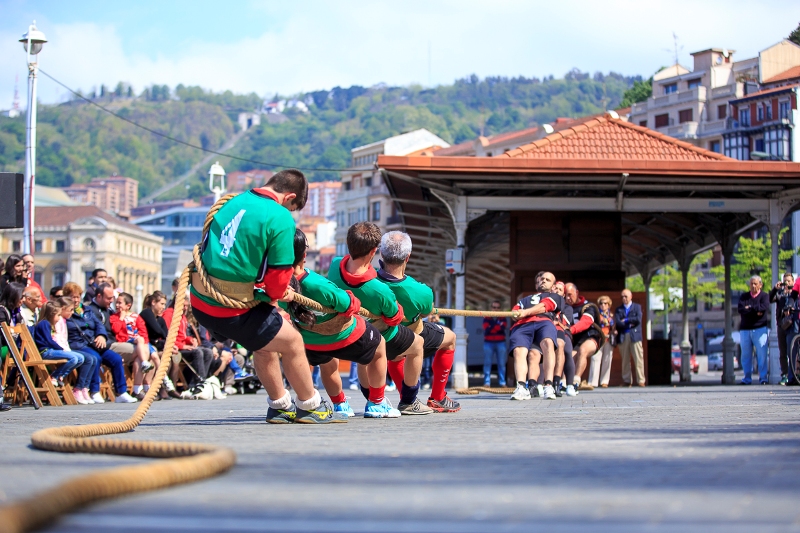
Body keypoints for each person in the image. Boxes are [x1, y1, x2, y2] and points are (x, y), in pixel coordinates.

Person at [191, 169, 340, 423]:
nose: (289, 212)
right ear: (290, 196)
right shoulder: (279, 216)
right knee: (292, 341)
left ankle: (280, 405)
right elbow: (278, 280)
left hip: (201, 302)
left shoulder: (233, 201)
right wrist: (278, 295)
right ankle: (311, 405)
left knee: (268, 338)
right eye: (292, 206)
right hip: (231, 310)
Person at [284, 229, 400, 418]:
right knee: (379, 346)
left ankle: (340, 405)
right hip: (342, 336)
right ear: (304, 255)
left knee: (327, 365)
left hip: (310, 342)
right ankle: (377, 403)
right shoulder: (317, 283)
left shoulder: (279, 286)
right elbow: (349, 305)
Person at [328, 222, 432, 415]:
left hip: (343, 330)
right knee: (417, 345)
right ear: (374, 252)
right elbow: (394, 318)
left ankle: (358, 400)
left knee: (361, 353)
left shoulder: (334, 265)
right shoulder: (379, 289)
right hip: (373, 334)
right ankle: (405, 401)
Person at [376, 231, 460, 412]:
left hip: (378, 336)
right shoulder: (421, 291)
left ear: (381, 254)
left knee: (396, 354)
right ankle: (438, 397)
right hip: (408, 334)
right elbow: (426, 311)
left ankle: (405, 397)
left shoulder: (369, 280)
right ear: (408, 257)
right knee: (450, 339)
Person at [62, 281, 137, 404]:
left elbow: (98, 325)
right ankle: (94, 391)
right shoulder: (66, 312)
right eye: (72, 297)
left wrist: (101, 336)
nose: (75, 300)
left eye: (77, 296)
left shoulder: (86, 310)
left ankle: (121, 392)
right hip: (78, 344)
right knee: (95, 358)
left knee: (116, 359)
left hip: (93, 343)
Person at [508, 271, 561, 401]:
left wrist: (525, 312)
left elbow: (545, 306)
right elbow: (515, 311)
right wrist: (515, 314)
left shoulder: (555, 296)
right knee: (519, 350)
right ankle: (521, 386)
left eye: (547, 280)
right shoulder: (524, 300)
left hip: (544, 322)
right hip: (523, 324)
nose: (543, 281)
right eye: (541, 279)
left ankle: (548, 385)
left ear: (554, 286)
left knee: (548, 342)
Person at [110, 292, 161, 401]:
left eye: (120, 303)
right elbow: (116, 330)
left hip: (138, 342)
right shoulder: (115, 317)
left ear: (128, 306)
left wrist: (143, 342)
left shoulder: (136, 317)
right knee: (144, 350)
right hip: (124, 341)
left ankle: (141, 387)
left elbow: (143, 331)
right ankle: (142, 385)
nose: (117, 305)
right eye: (116, 303)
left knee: (143, 351)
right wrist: (121, 318)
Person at [33, 302, 86, 391]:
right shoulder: (44, 323)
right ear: (51, 315)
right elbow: (49, 341)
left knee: (80, 358)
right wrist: (61, 349)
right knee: (74, 358)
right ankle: (54, 376)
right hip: (46, 352)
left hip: (51, 351)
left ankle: (60, 375)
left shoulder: (47, 324)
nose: (59, 318)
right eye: (58, 315)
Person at [565, 282, 603, 391]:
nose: (568, 298)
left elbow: (586, 321)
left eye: (570, 294)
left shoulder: (588, 306)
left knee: (583, 350)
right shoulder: (564, 308)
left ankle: (576, 381)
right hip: (575, 340)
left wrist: (571, 330)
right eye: (565, 295)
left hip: (591, 336)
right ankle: (564, 383)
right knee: (568, 356)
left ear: (577, 293)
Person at [738, 275, 770, 385]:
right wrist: (755, 311)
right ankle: (747, 378)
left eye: (755, 283)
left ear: (760, 285)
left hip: (760, 329)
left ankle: (763, 378)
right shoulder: (744, 297)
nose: (753, 285)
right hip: (745, 330)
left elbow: (763, 308)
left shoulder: (764, 296)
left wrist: (750, 308)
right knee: (745, 355)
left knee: (762, 355)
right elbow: (741, 309)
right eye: (751, 283)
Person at [0, 282, 27, 412]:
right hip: (3, 346)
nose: (23, 300)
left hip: (12, 346)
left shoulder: (16, 312)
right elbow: (4, 332)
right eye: (21, 297)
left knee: (25, 355)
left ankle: (12, 383)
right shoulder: (2, 310)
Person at [550, 280, 577, 397]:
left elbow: (565, 324)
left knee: (566, 350)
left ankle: (570, 384)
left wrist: (556, 322)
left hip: (564, 333)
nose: (557, 291)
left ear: (563, 294)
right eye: (556, 288)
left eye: (560, 290)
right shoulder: (547, 304)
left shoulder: (567, 308)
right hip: (549, 332)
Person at [614, 289, 644, 387]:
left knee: (638, 358)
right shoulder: (619, 309)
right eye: (622, 296)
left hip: (635, 336)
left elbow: (638, 319)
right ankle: (627, 380)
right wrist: (629, 323)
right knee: (625, 360)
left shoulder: (637, 307)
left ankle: (641, 380)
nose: (624, 298)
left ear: (631, 296)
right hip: (623, 336)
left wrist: (626, 320)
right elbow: (618, 322)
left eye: (626, 296)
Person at [770, 273, 794, 385]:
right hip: (782, 325)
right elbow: (769, 299)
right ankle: (784, 375)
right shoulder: (780, 294)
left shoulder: (795, 294)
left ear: (793, 282)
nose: (787, 283)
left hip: (793, 325)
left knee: (792, 351)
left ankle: (793, 374)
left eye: (789, 281)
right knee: (783, 352)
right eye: (785, 281)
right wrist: (775, 289)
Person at [589, 295, 615, 388]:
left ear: (609, 305)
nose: (603, 305)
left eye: (605, 303)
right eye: (601, 303)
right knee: (595, 359)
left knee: (607, 360)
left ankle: (604, 381)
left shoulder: (611, 315)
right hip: (599, 338)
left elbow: (613, 327)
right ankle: (593, 382)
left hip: (608, 338)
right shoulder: (596, 315)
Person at [482, 301, 507, 387]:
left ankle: (502, 382)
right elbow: (486, 328)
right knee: (487, 363)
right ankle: (487, 382)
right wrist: (497, 325)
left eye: (497, 307)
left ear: (500, 309)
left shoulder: (503, 316)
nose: (495, 309)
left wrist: (491, 326)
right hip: (488, 343)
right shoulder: (487, 316)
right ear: (491, 308)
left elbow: (503, 327)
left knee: (502, 364)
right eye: (494, 307)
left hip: (501, 342)